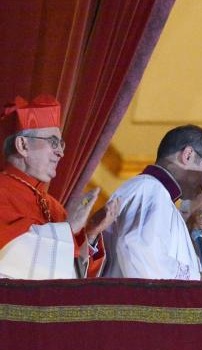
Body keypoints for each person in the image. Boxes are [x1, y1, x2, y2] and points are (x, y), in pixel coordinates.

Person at [0, 95, 119, 279]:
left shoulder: (55, 207)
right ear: (23, 145)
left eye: (61, 144)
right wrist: (68, 229)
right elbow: (11, 255)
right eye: (53, 142)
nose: (61, 152)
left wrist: (91, 233)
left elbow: (72, 279)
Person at [102, 124, 202, 279]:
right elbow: (140, 253)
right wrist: (197, 278)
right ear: (188, 155)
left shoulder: (160, 196)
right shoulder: (149, 188)